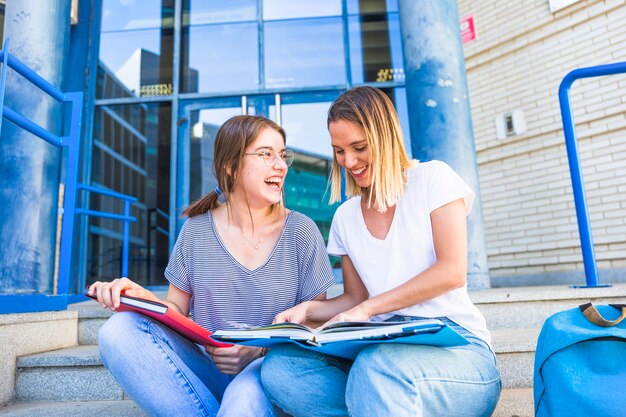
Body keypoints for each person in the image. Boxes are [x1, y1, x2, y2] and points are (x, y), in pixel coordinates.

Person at [260, 86, 502, 417]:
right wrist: (308, 311)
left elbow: (451, 271)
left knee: (377, 367)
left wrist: (370, 310)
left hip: (457, 348)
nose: (349, 161)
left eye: (359, 148)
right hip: (381, 348)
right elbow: (354, 298)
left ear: (385, 135)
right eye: (339, 151)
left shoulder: (434, 179)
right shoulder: (346, 216)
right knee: (281, 369)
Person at [88, 115, 335, 417]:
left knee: (243, 396)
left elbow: (312, 325)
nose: (281, 165)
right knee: (117, 332)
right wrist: (141, 298)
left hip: (267, 373)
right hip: (210, 372)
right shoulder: (196, 230)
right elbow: (176, 313)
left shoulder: (302, 231)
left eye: (283, 155)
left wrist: (258, 350)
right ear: (231, 165)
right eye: (266, 154)